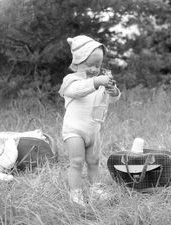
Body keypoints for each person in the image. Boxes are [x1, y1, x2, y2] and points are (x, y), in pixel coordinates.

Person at [59, 35, 121, 207]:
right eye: (91, 65)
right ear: (78, 62)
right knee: (77, 161)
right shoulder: (71, 80)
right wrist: (95, 82)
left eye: (98, 65)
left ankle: (95, 189)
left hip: (93, 130)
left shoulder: (98, 81)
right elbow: (77, 91)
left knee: (94, 161)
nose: (95, 69)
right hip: (74, 131)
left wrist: (112, 90)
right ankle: (75, 193)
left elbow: (112, 100)